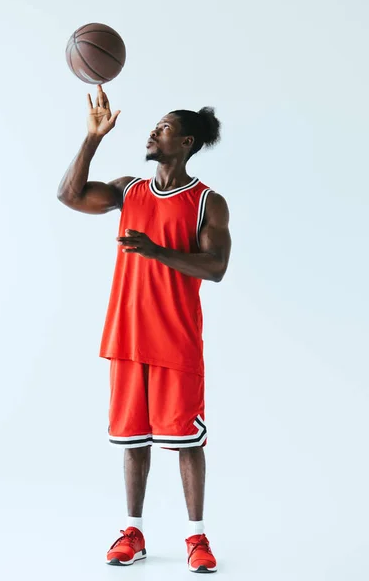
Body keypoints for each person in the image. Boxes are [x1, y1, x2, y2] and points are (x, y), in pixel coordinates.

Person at [57, 84, 231, 573]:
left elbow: (216, 267)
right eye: (155, 125)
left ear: (188, 143)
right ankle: (132, 530)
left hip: (175, 339)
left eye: (166, 127)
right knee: (133, 441)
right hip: (127, 336)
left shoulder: (207, 202)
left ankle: (196, 537)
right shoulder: (129, 189)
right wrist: (92, 139)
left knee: (186, 442)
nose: (154, 131)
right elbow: (68, 195)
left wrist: (157, 252)